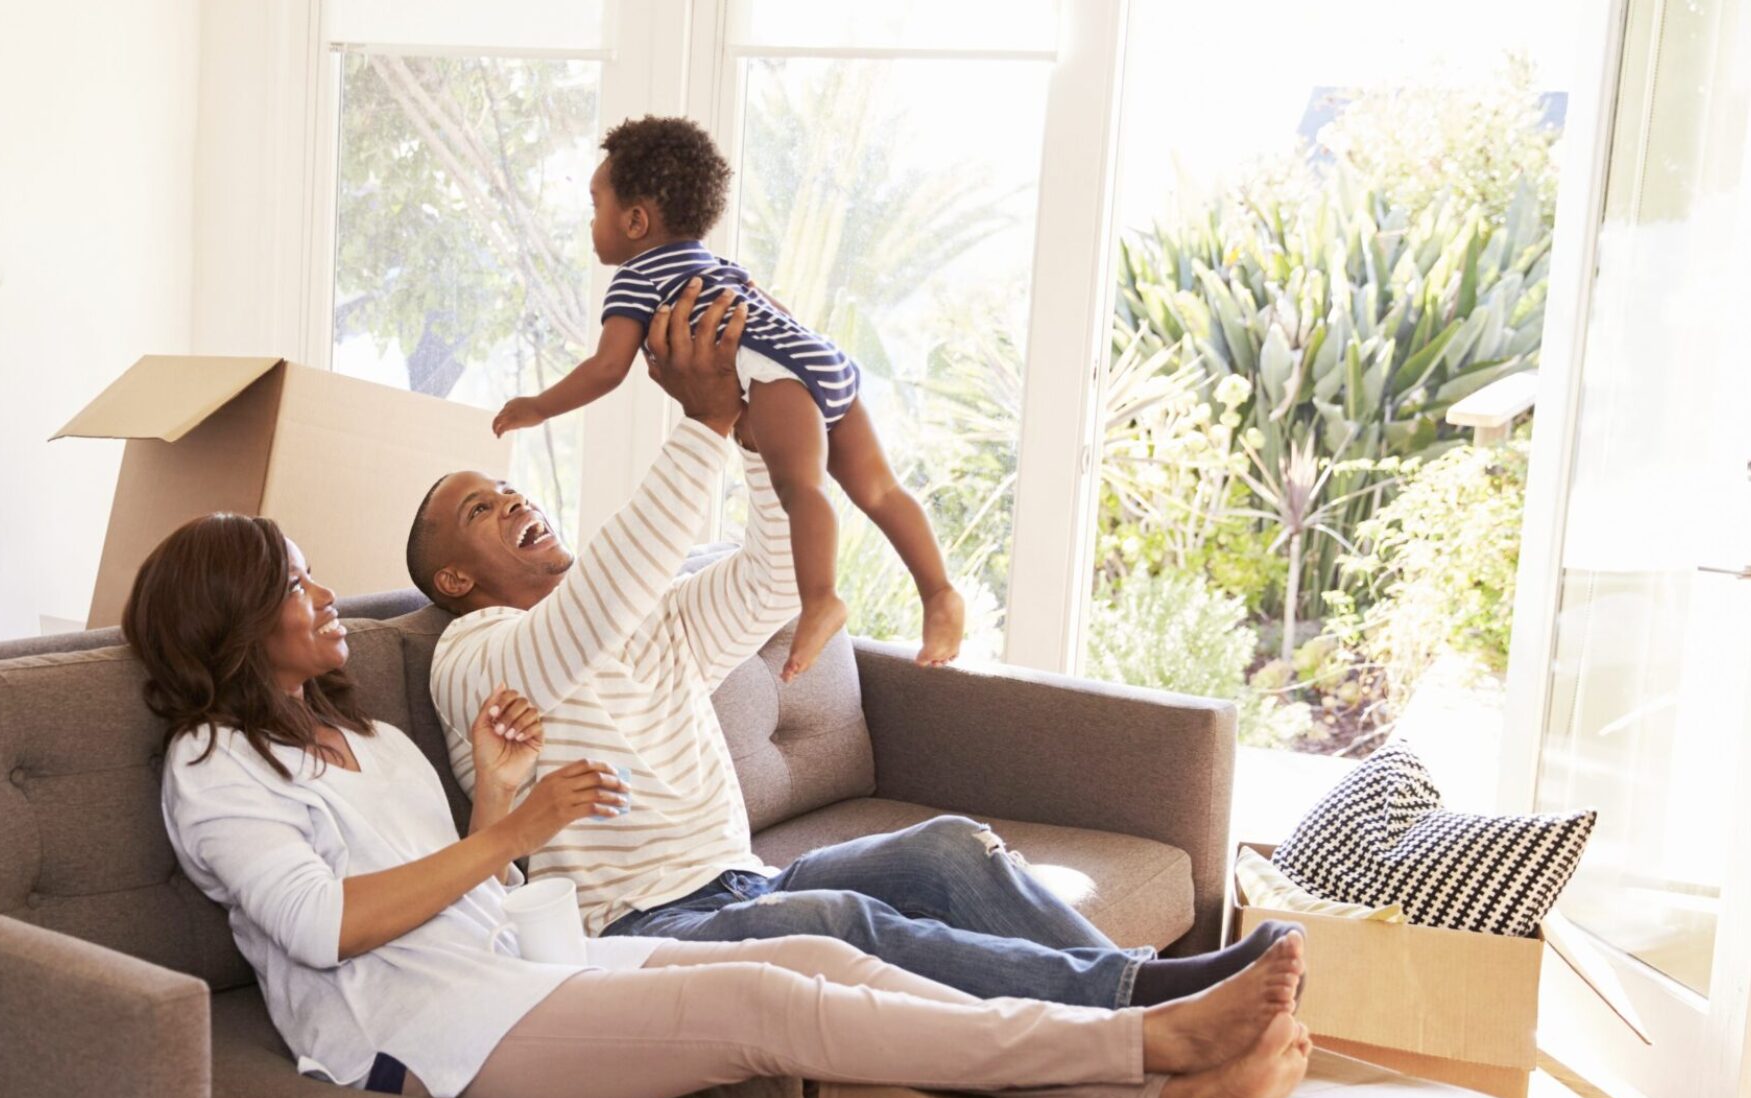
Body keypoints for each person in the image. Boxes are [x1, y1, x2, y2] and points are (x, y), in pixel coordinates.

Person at [121, 512, 1312, 1098]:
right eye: (293, 580)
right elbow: (331, 927)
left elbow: (466, 890)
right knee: (764, 1006)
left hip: (512, 972)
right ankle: (1134, 1038)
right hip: (421, 1033)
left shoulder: (364, 737)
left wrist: (497, 798)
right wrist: (517, 830)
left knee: (828, 967)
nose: (324, 594)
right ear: (230, 621)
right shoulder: (213, 770)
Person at [414, 275, 1303, 1012]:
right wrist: (704, 422)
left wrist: (761, 443)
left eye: (509, 488)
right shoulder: (475, 655)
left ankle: (1153, 993)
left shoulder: (646, 615)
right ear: (454, 577)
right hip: (639, 930)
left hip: (740, 881)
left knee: (949, 847)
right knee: (840, 922)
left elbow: (769, 581)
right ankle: (1145, 1008)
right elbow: (586, 622)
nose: (516, 503)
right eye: (479, 510)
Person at [490, 114, 964, 679]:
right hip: (819, 356)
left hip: (775, 372)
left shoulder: (637, 280)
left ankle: (821, 600)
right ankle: (938, 594)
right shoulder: (717, 265)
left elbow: (608, 367)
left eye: (596, 206)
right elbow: (776, 313)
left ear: (636, 220)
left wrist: (538, 406)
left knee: (802, 486)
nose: (590, 223)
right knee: (881, 489)